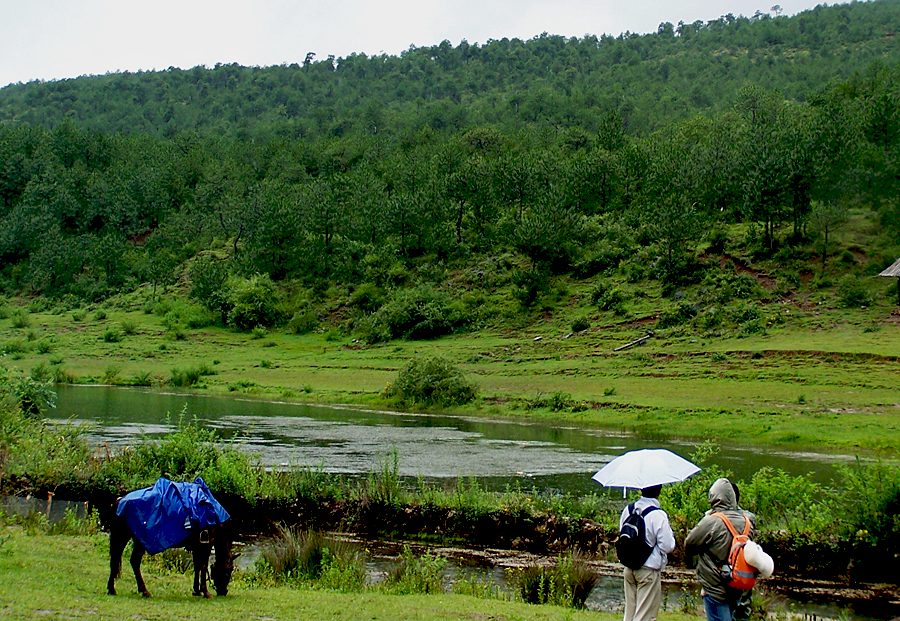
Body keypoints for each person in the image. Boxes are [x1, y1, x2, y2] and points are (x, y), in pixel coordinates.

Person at [685, 478, 757, 621]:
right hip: (738, 584)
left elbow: (689, 544)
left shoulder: (712, 521)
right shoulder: (748, 520)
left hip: (715, 587)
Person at [619, 484, 676, 621]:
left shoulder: (628, 510)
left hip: (629, 568)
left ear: (641, 489)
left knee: (629, 615)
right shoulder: (657, 515)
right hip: (648, 571)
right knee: (644, 617)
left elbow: (622, 533)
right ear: (659, 491)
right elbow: (668, 546)